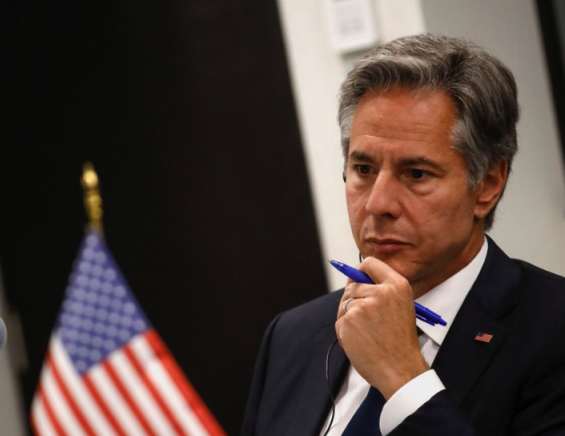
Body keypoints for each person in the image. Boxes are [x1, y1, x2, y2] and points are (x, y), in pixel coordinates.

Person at [242, 33, 565, 435]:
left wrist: (403, 377)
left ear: (487, 184)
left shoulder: (552, 330)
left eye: (416, 174)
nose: (378, 204)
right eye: (363, 169)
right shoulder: (293, 335)